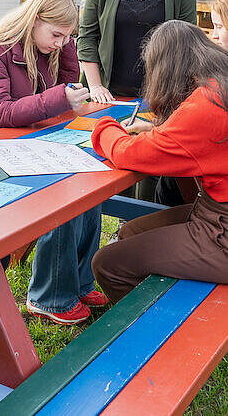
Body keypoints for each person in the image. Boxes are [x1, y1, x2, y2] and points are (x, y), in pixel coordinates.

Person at [0, 0, 108, 325]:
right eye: (56, 34)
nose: (59, 43)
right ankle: (50, 296)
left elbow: (69, 89)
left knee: (89, 186)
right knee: (61, 195)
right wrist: (58, 97)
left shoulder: (51, 48)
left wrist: (68, 47)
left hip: (30, 144)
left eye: (66, 37)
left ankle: (78, 281)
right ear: (35, 19)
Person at [91, 20, 228, 303]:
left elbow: (126, 154)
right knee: (129, 233)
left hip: (220, 233)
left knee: (107, 263)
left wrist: (103, 126)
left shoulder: (206, 105)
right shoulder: (219, 87)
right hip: (213, 214)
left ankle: (160, 335)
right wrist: (157, 132)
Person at [77, 0, 197, 203]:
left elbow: (186, 45)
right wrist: (96, 87)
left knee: (146, 173)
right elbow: (87, 35)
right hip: (108, 93)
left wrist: (168, 95)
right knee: (98, 171)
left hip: (159, 95)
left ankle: (134, 232)